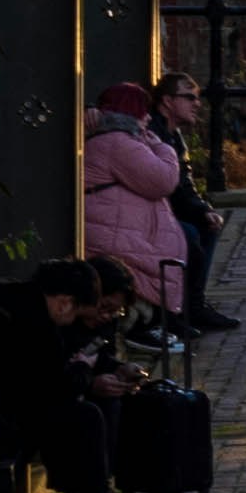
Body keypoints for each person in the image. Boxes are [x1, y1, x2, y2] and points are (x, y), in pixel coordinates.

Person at [0, 268, 146, 493]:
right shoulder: (37, 323)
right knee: (84, 417)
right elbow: (57, 386)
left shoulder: (20, 302)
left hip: (10, 404)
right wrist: (84, 372)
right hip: (5, 415)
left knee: (85, 412)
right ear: (64, 302)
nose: (71, 320)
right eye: (74, 313)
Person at [83, 88, 184, 322]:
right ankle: (142, 321)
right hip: (111, 232)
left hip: (115, 228)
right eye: (143, 111)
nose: (148, 118)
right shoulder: (118, 142)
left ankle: (154, 319)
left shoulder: (117, 140)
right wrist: (162, 147)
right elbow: (163, 179)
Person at [146, 72, 232, 333]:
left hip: (169, 210)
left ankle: (194, 305)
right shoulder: (151, 133)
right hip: (151, 213)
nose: (197, 103)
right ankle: (175, 310)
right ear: (168, 101)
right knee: (189, 234)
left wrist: (203, 209)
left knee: (208, 225)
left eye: (197, 97)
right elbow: (158, 184)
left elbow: (183, 185)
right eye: (189, 97)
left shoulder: (174, 136)